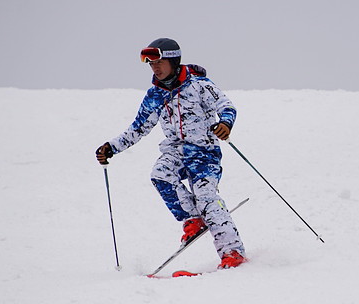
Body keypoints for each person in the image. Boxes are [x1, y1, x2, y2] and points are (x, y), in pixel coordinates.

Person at [95, 38, 247, 269]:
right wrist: (112, 147)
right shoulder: (155, 95)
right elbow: (139, 128)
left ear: (173, 60)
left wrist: (225, 123)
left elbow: (226, 106)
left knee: (205, 196)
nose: (154, 67)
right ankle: (192, 220)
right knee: (160, 174)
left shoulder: (199, 85)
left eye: (159, 62)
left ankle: (232, 252)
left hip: (203, 152)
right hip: (175, 151)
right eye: (151, 64)